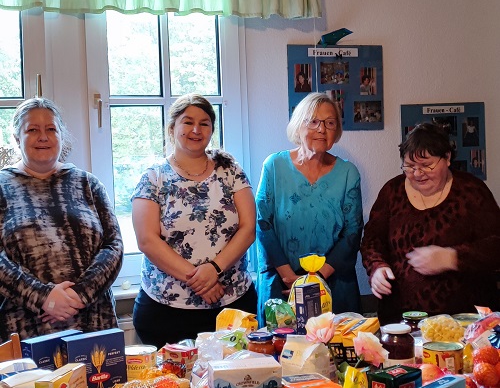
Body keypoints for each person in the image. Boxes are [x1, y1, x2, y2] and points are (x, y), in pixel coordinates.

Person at [132, 94, 257, 347]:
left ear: (212, 130)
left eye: (204, 123)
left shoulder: (230, 169)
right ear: (172, 128)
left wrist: (214, 269)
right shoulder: (153, 177)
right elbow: (147, 241)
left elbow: (248, 228)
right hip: (166, 311)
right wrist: (201, 281)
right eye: (187, 122)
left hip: (232, 306)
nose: (196, 130)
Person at [0, 97, 123, 341]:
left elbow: (114, 246)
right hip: (25, 328)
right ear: (16, 139)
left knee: (102, 379)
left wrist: (79, 295)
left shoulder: (88, 183)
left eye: (51, 129)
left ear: (61, 135)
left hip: (93, 321)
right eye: (32, 130)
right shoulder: (2, 186)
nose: (43, 137)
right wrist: (42, 297)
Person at [361, 122, 500, 324]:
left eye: (427, 165)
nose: (417, 173)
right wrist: (377, 268)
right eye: (409, 166)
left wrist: (452, 258)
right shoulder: (392, 191)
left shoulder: (471, 191)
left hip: (463, 318)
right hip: (401, 319)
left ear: (447, 158)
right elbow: (372, 241)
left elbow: (495, 246)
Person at [256, 92, 363, 324]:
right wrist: (290, 278)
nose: (321, 129)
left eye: (330, 123)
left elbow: (353, 231)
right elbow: (262, 224)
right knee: (280, 353)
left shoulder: (347, 173)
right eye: (313, 121)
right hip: (281, 283)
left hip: (333, 283)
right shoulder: (274, 166)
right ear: (298, 125)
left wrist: (315, 281)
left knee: (337, 354)